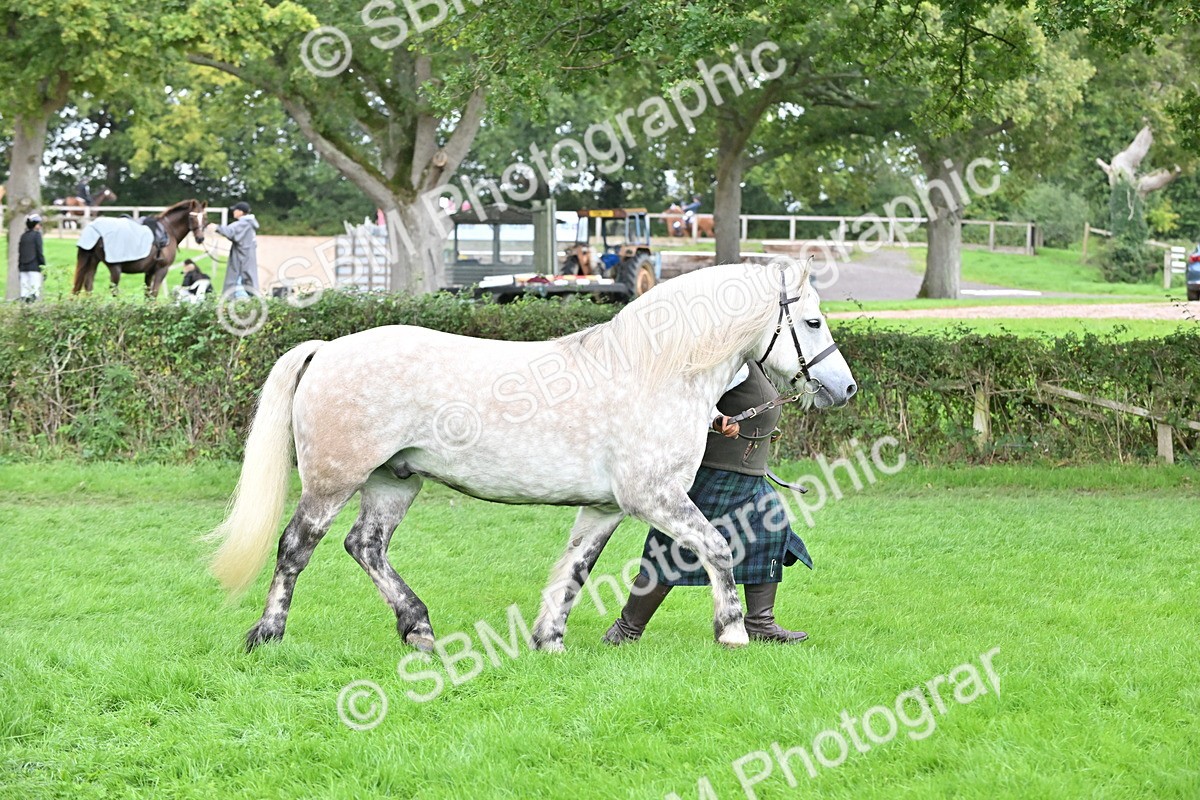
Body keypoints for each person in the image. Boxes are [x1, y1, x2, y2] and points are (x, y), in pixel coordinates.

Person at [604, 361, 812, 645]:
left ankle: (760, 623)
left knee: (770, 532)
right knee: (671, 551)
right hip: (714, 473)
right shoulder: (725, 363)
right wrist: (715, 422)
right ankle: (626, 631)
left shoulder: (752, 360)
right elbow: (679, 404)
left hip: (747, 475)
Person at [216, 201, 260, 298]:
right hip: (247, 256)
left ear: (240, 212)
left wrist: (216, 227)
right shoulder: (249, 223)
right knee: (250, 282)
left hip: (242, 258)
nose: (234, 212)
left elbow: (230, 231)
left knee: (239, 282)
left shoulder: (243, 223)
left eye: (235, 210)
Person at [18, 214, 46, 303]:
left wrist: (19, 266)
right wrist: (43, 266)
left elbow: (20, 252)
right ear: (35, 225)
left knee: (24, 292)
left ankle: (24, 311)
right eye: (39, 224)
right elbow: (39, 252)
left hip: (23, 267)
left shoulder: (23, 236)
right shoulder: (37, 235)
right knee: (34, 291)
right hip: (34, 267)